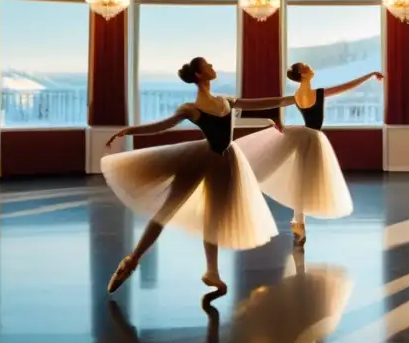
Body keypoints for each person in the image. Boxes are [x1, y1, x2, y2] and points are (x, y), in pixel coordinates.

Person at [101, 56, 295, 294]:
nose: (213, 67)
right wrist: (129, 130)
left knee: (212, 217)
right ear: (199, 76)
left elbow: (262, 103)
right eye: (208, 65)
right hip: (200, 159)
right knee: (167, 211)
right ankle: (131, 261)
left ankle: (211, 272)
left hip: (226, 161)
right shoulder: (190, 109)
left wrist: (293, 100)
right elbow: (162, 125)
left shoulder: (227, 101)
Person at [238, 64, 383, 246]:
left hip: (302, 136)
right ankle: (298, 222)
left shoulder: (298, 95)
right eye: (307, 67)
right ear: (303, 74)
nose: (311, 68)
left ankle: (298, 222)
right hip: (311, 138)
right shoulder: (317, 93)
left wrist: (276, 121)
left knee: (301, 180)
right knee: (304, 181)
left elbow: (271, 104)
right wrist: (369, 74)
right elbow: (346, 86)